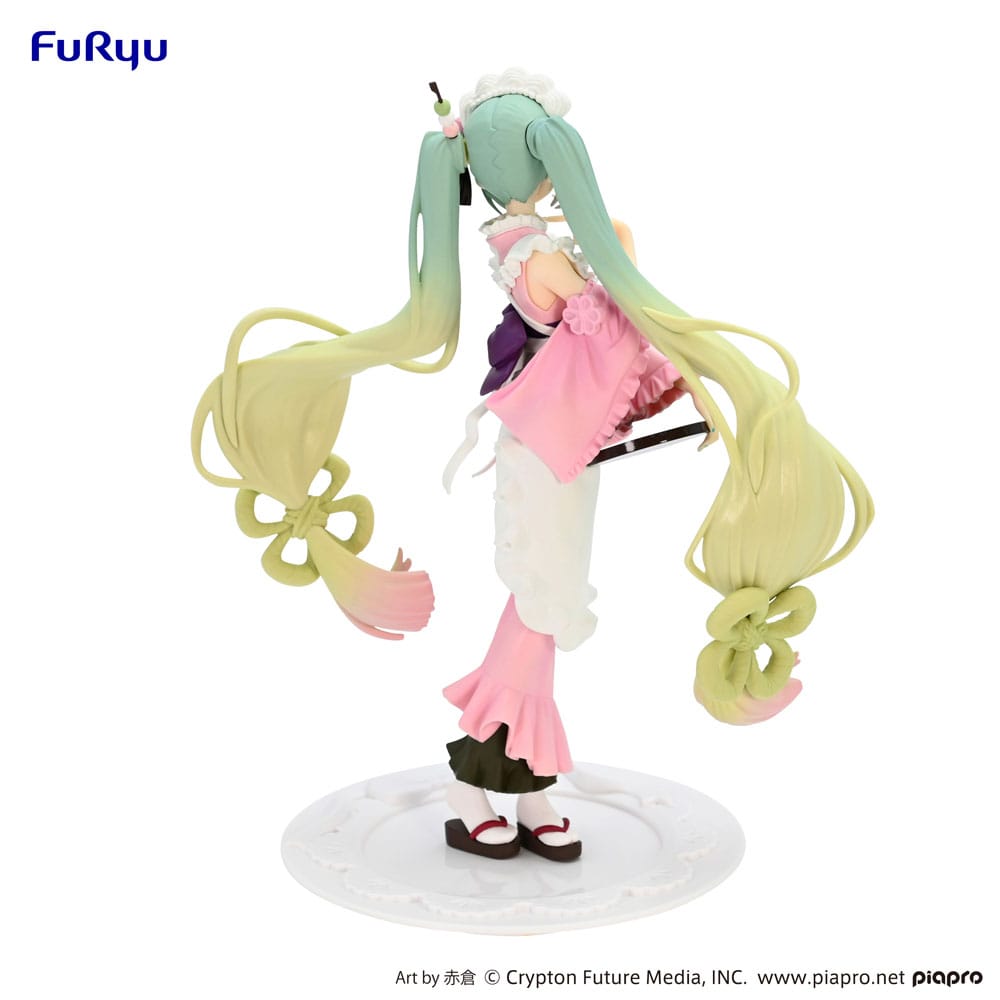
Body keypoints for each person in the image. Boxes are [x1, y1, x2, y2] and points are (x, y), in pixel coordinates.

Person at [192, 69, 873, 863]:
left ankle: (519, 784)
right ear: (541, 165)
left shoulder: (528, 247)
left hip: (561, 447)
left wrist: (619, 265)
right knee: (540, 608)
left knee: (542, 609)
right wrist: (625, 265)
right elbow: (611, 326)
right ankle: (481, 781)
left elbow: (606, 314)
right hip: (545, 450)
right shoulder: (537, 256)